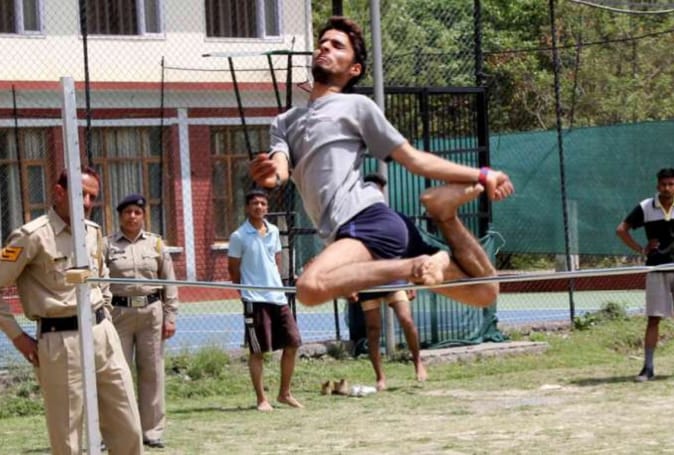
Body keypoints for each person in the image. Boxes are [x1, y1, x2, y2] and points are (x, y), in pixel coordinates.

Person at [250, 16, 515, 310]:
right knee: (483, 292)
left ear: (354, 69)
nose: (325, 47)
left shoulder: (356, 107)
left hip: (364, 221)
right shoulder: (285, 122)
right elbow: (279, 170)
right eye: (322, 43)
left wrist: (483, 174)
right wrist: (269, 175)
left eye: (337, 45)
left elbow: (413, 159)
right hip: (368, 231)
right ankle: (444, 213)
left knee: (310, 288)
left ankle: (413, 266)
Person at [0, 167, 143, 454]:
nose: (87, 203)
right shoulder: (32, 236)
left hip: (102, 335)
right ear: (59, 192)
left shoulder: (92, 232)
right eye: (81, 195)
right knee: (68, 437)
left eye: (92, 197)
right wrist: (17, 337)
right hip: (61, 341)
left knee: (127, 426)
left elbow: (101, 277)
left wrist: (105, 314)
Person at [104, 193, 179, 448]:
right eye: (127, 212)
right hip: (118, 314)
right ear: (120, 216)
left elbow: (169, 282)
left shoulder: (156, 244)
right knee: (117, 374)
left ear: (143, 216)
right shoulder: (107, 245)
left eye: (137, 212)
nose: (132, 217)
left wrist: (170, 317)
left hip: (151, 314)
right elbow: (100, 282)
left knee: (152, 372)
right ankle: (118, 431)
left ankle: (152, 431)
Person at [227, 189, 304, 411]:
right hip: (254, 299)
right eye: (254, 203)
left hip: (277, 297)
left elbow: (276, 261)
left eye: (262, 203)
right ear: (246, 207)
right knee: (258, 351)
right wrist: (245, 292)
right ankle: (261, 399)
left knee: (293, 343)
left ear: (267, 208)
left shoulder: (273, 232)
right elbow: (233, 270)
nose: (259, 207)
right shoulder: (239, 236)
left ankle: (284, 393)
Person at [356, 172, 426, 390]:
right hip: (368, 281)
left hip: (394, 278)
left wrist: (410, 280)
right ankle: (380, 377)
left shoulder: (393, 218)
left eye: (378, 189)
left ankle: (418, 362)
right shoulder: (357, 221)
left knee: (406, 320)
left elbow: (407, 250)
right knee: (373, 329)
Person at [616, 168, 674, 382]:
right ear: (658, 186)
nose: (667, 188)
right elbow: (621, 229)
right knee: (654, 319)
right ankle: (648, 368)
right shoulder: (646, 207)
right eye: (664, 184)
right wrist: (641, 249)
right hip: (656, 269)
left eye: (671, 184)